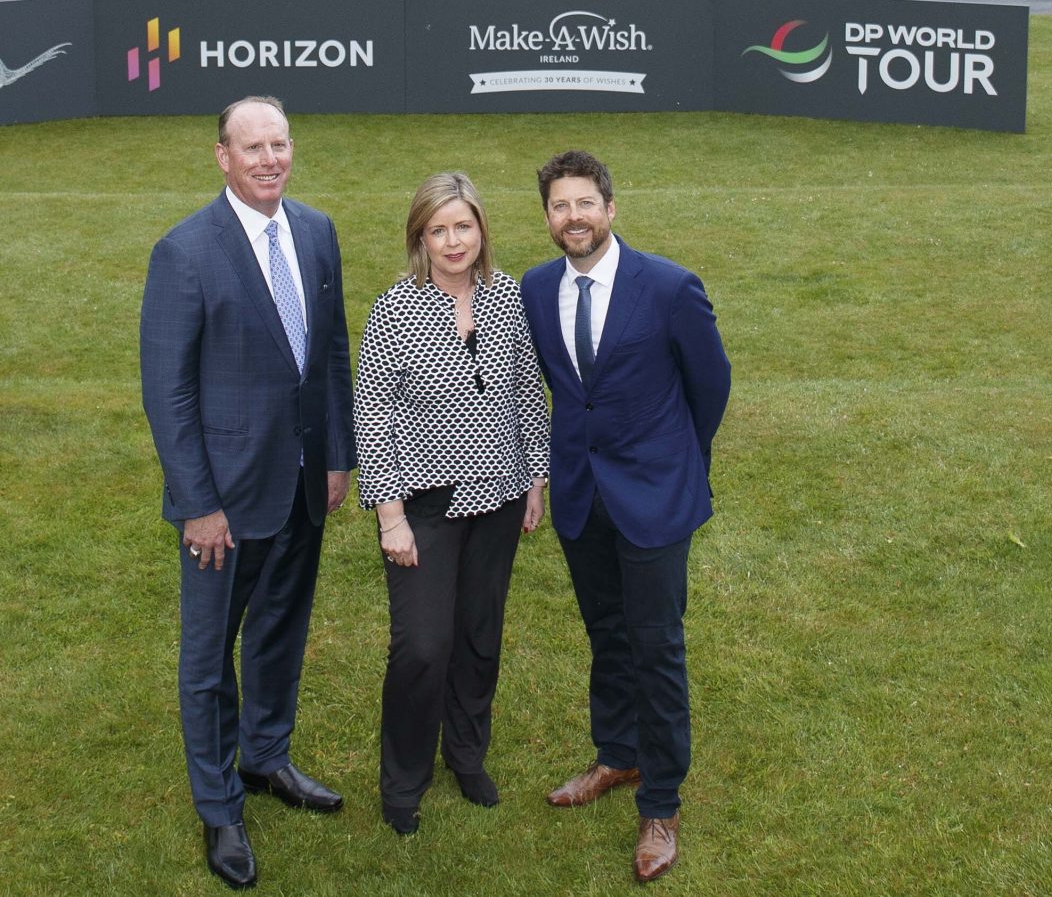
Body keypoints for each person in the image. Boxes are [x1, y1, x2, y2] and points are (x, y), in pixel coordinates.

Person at [139, 95, 355, 891]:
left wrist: (338, 456)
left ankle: (267, 759)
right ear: (222, 156)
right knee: (208, 659)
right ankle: (220, 806)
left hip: (302, 488)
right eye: (252, 147)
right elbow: (168, 393)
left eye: (280, 144)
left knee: (279, 632)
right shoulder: (185, 252)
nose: (270, 159)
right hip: (222, 506)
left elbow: (330, 352)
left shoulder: (316, 230)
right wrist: (198, 502)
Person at [522, 149, 731, 885]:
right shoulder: (536, 289)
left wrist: (676, 462)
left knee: (656, 647)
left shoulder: (670, 287)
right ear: (547, 218)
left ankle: (662, 802)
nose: (572, 217)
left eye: (585, 203)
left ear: (611, 209)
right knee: (606, 634)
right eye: (558, 206)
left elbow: (710, 385)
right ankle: (617, 754)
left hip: (654, 498)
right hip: (583, 495)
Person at [353, 171, 551, 837]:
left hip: (498, 495)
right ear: (420, 238)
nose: (452, 240)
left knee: (477, 636)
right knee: (422, 646)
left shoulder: (508, 297)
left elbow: (527, 390)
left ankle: (467, 757)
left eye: (463, 226)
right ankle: (403, 780)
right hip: (424, 506)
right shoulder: (393, 309)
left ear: (481, 230)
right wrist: (390, 516)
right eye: (437, 230)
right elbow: (373, 412)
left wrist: (535, 478)